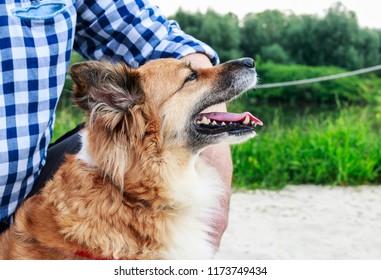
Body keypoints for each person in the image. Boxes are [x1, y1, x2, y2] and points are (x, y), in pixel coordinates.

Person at [0, 0, 232, 248]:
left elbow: (153, 35)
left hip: (22, 194)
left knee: (102, 135)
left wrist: (214, 131)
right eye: (191, 78)